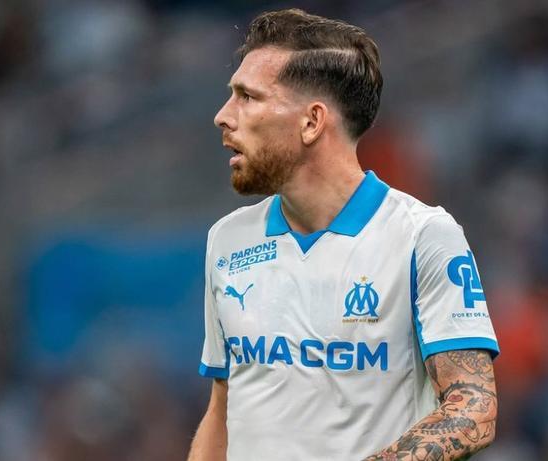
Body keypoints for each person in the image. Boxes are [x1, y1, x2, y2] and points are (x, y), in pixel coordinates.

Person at [188, 8, 499, 461]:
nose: (223, 116)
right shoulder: (227, 240)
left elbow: (473, 411)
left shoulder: (423, 237)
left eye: (247, 97)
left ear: (312, 122)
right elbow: (223, 409)